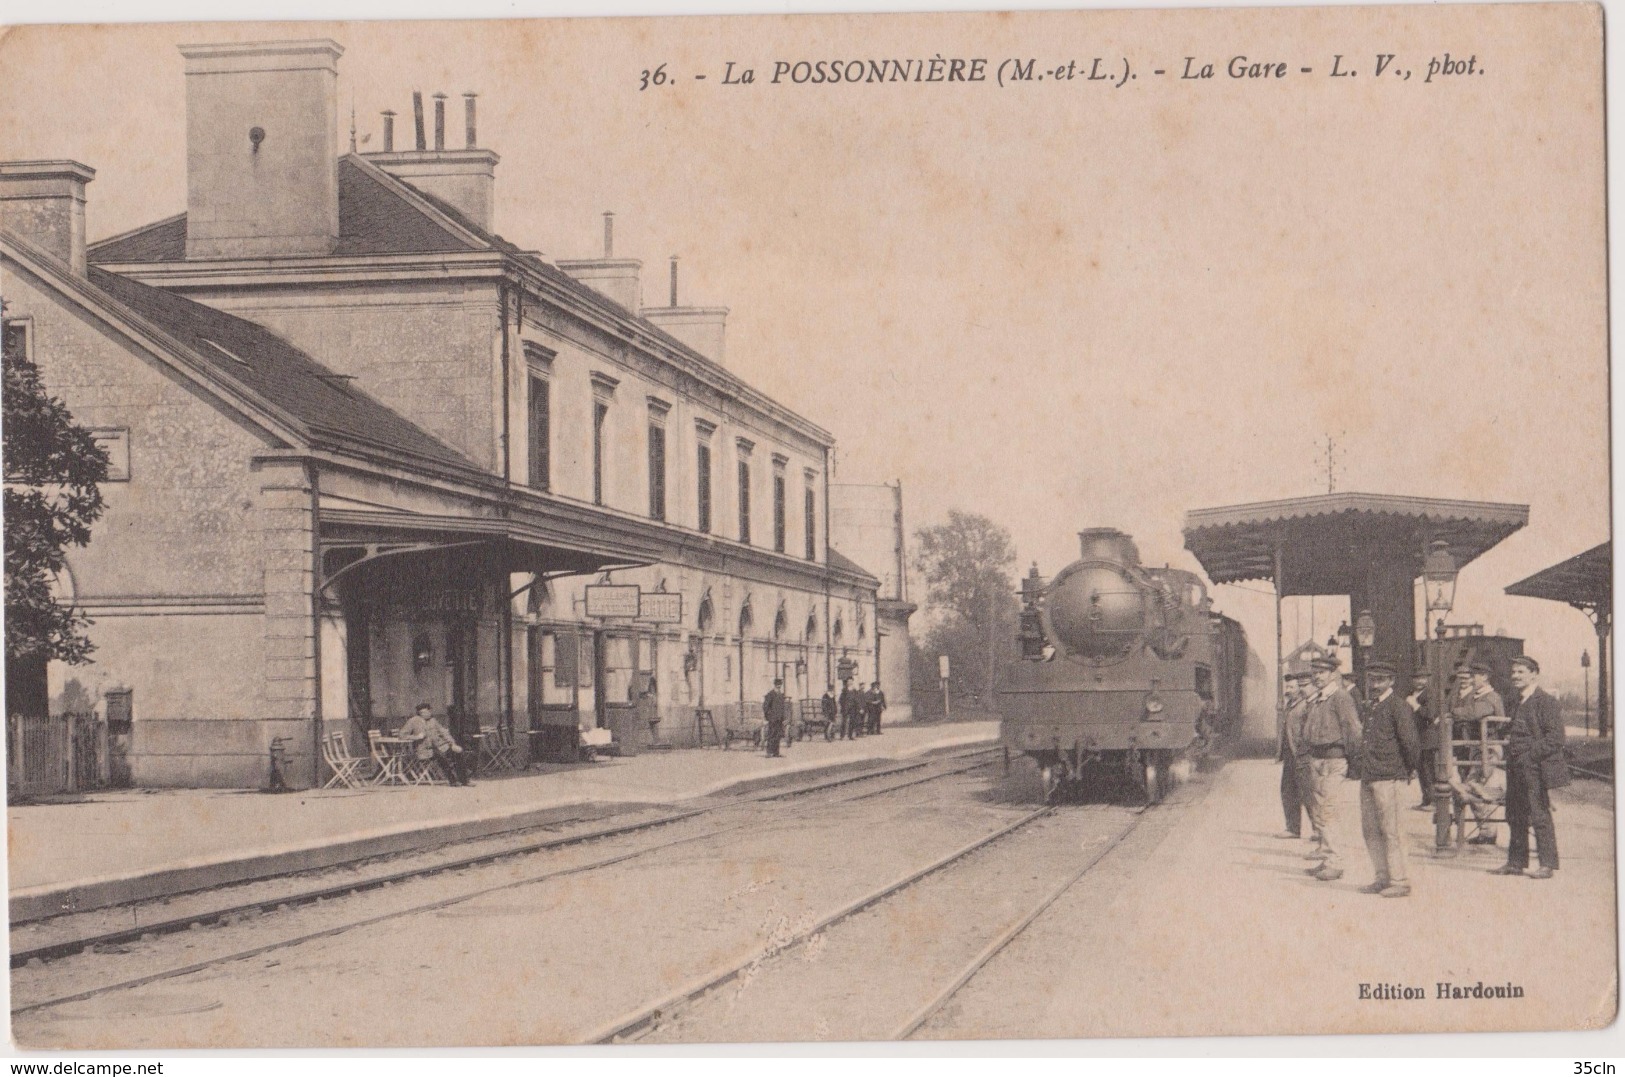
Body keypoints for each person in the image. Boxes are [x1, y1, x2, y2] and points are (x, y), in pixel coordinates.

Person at [1493, 656, 1568, 879]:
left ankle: (1547, 865)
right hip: (1515, 767)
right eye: (1514, 672)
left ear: (1534, 674)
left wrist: (1529, 756)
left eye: (1521, 672)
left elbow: (1556, 738)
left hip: (1534, 767)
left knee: (1539, 814)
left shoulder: (1545, 701)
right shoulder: (1517, 700)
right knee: (1514, 813)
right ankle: (1516, 863)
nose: (1515, 676)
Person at [1354, 663, 1420, 897]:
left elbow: (1410, 743)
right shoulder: (1373, 706)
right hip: (1370, 775)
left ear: (1391, 681)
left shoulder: (1398, 707)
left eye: (1380, 680)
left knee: (1392, 831)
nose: (1374, 684)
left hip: (1390, 776)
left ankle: (1400, 880)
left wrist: (1409, 769)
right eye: (1372, 679)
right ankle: (1382, 877)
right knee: (1370, 830)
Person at [1301, 655, 1361, 882]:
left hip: (1333, 760)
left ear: (1333, 674)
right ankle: (1326, 858)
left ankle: (1335, 862)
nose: (1317, 676)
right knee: (1318, 810)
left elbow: (1353, 730)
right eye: (1314, 672)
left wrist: (1354, 761)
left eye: (1322, 672)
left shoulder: (1340, 698)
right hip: (1317, 759)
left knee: (1327, 811)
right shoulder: (1318, 699)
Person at [1275, 670, 1312, 840]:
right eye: (1287, 686)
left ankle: (1319, 831)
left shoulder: (1305, 705)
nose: (1288, 689)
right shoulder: (1291, 704)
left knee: (1306, 792)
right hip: (1290, 755)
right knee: (1288, 791)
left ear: (1300, 688)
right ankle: (1292, 828)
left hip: (1300, 754)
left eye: (1292, 686)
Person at [398, 703, 471, 786]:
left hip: (441, 747)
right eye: (423, 713)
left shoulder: (433, 720)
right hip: (425, 750)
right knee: (442, 757)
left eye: (428, 712)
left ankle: (464, 780)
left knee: (458, 752)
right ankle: (453, 781)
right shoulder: (413, 721)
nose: (426, 714)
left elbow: (444, 732)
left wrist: (452, 744)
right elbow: (401, 735)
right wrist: (416, 737)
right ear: (419, 713)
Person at [1464, 743, 1506, 845]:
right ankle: (1484, 833)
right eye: (1481, 756)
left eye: (1490, 756)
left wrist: (1478, 788)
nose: (1486, 759)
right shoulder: (1474, 773)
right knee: (1468, 797)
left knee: (1486, 803)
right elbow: (1467, 785)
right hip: (1480, 794)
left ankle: (1489, 834)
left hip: (1493, 793)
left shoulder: (1500, 774)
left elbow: (1502, 793)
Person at [1406, 670, 1437, 811]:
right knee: (1421, 769)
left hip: (1428, 737)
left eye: (1423, 678)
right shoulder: (1410, 694)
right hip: (1416, 737)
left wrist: (1415, 705)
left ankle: (1434, 801)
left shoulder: (1430, 694)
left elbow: (1430, 714)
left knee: (1429, 769)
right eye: (1417, 678)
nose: (1420, 681)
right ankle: (1426, 800)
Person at [763, 678, 789, 758]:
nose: (779, 686)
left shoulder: (781, 695)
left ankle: (776, 752)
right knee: (771, 735)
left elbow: (782, 707)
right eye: (777, 685)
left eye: (780, 685)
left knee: (778, 735)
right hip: (772, 719)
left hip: (779, 718)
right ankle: (769, 752)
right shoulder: (770, 694)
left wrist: (784, 718)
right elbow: (765, 706)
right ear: (774, 685)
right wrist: (769, 716)